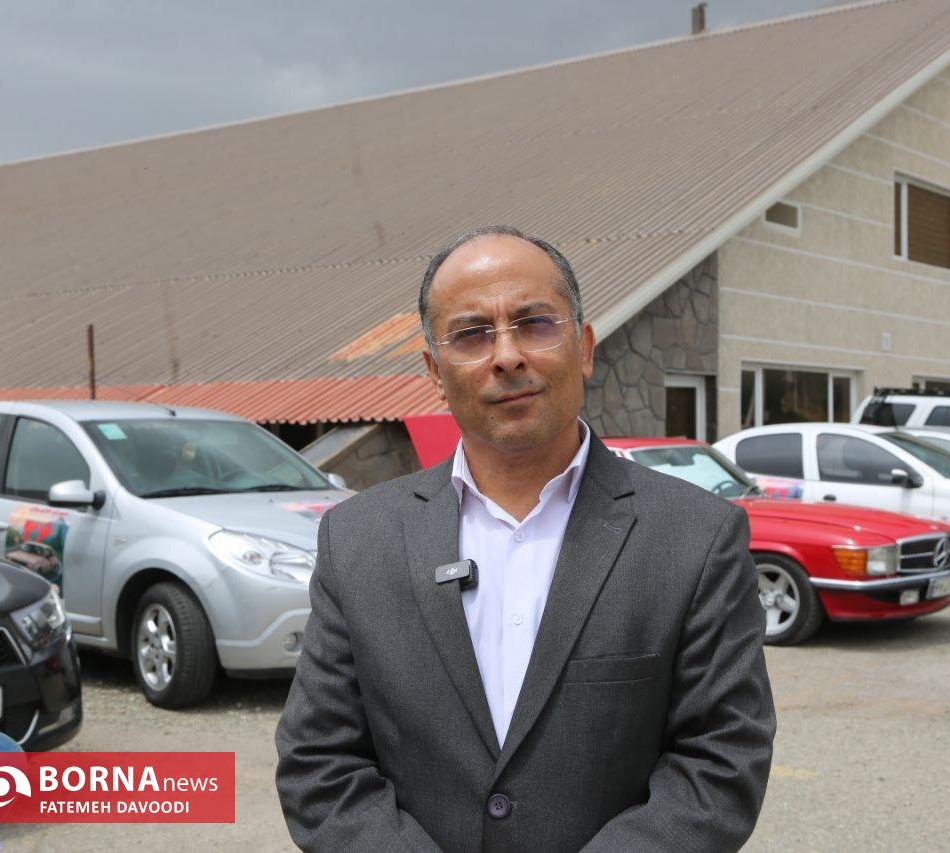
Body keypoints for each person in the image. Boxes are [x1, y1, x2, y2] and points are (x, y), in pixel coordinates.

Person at [275, 225, 775, 852]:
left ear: (584, 348)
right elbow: (319, 762)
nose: (507, 356)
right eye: (471, 334)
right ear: (434, 371)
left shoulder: (695, 537)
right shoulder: (358, 540)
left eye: (535, 324)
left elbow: (721, 761)